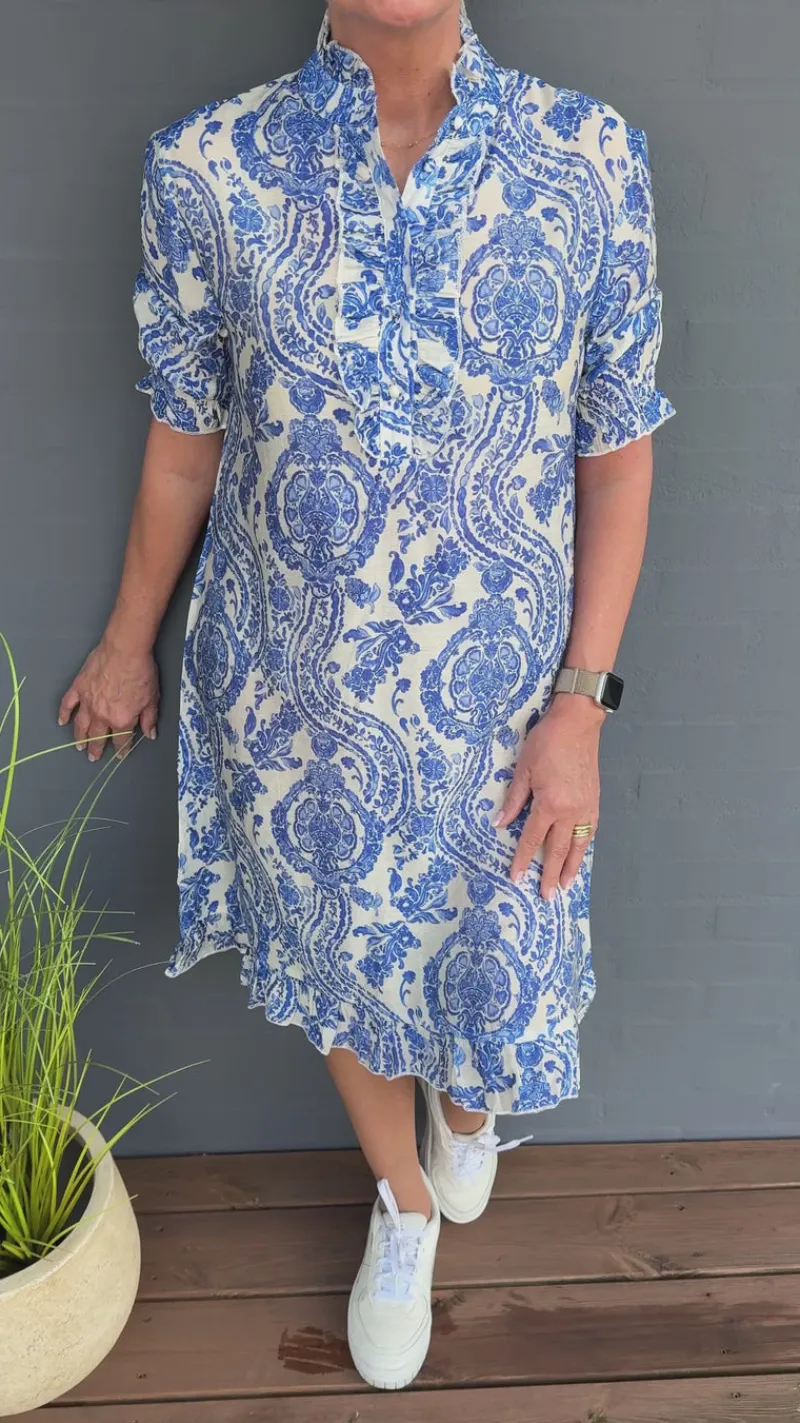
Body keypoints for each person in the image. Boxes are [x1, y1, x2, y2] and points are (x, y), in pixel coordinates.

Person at [58, 0, 674, 1391]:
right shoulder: (207, 168)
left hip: (510, 704)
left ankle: (469, 1112)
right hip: (296, 690)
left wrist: (582, 704)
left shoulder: (585, 156)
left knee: (497, 957)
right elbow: (184, 441)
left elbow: (619, 450)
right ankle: (402, 1201)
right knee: (332, 942)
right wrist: (127, 640)